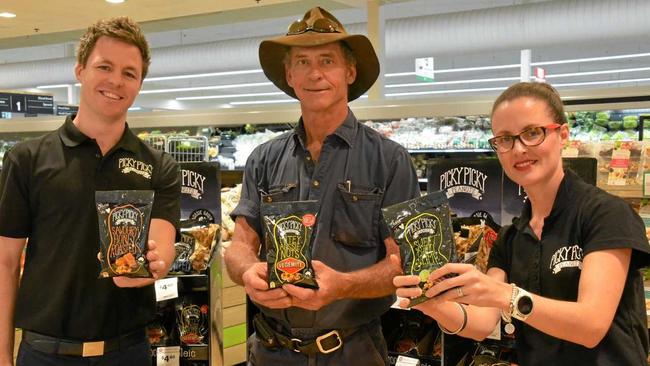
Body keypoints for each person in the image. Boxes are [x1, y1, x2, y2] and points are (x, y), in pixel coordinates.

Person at [394, 82, 650, 365]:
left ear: (562, 134)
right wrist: (433, 305)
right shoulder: (510, 237)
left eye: (532, 133)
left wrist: (506, 295)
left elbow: (591, 326)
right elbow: (482, 322)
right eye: (504, 138)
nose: (518, 149)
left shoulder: (606, 214)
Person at [224, 6, 420, 366]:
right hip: (271, 351)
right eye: (302, 61)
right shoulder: (263, 159)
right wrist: (247, 273)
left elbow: (404, 264)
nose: (314, 73)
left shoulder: (390, 161)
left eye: (327, 60)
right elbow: (239, 246)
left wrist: (342, 285)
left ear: (350, 71)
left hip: (354, 351)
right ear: (289, 74)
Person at [0, 17, 180, 366]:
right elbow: (5, 263)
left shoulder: (160, 167)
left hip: (127, 352)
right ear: (80, 70)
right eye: (104, 67)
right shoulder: (27, 160)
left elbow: (163, 247)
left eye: (130, 73)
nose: (116, 81)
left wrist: (152, 265)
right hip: (44, 353)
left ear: (140, 84)